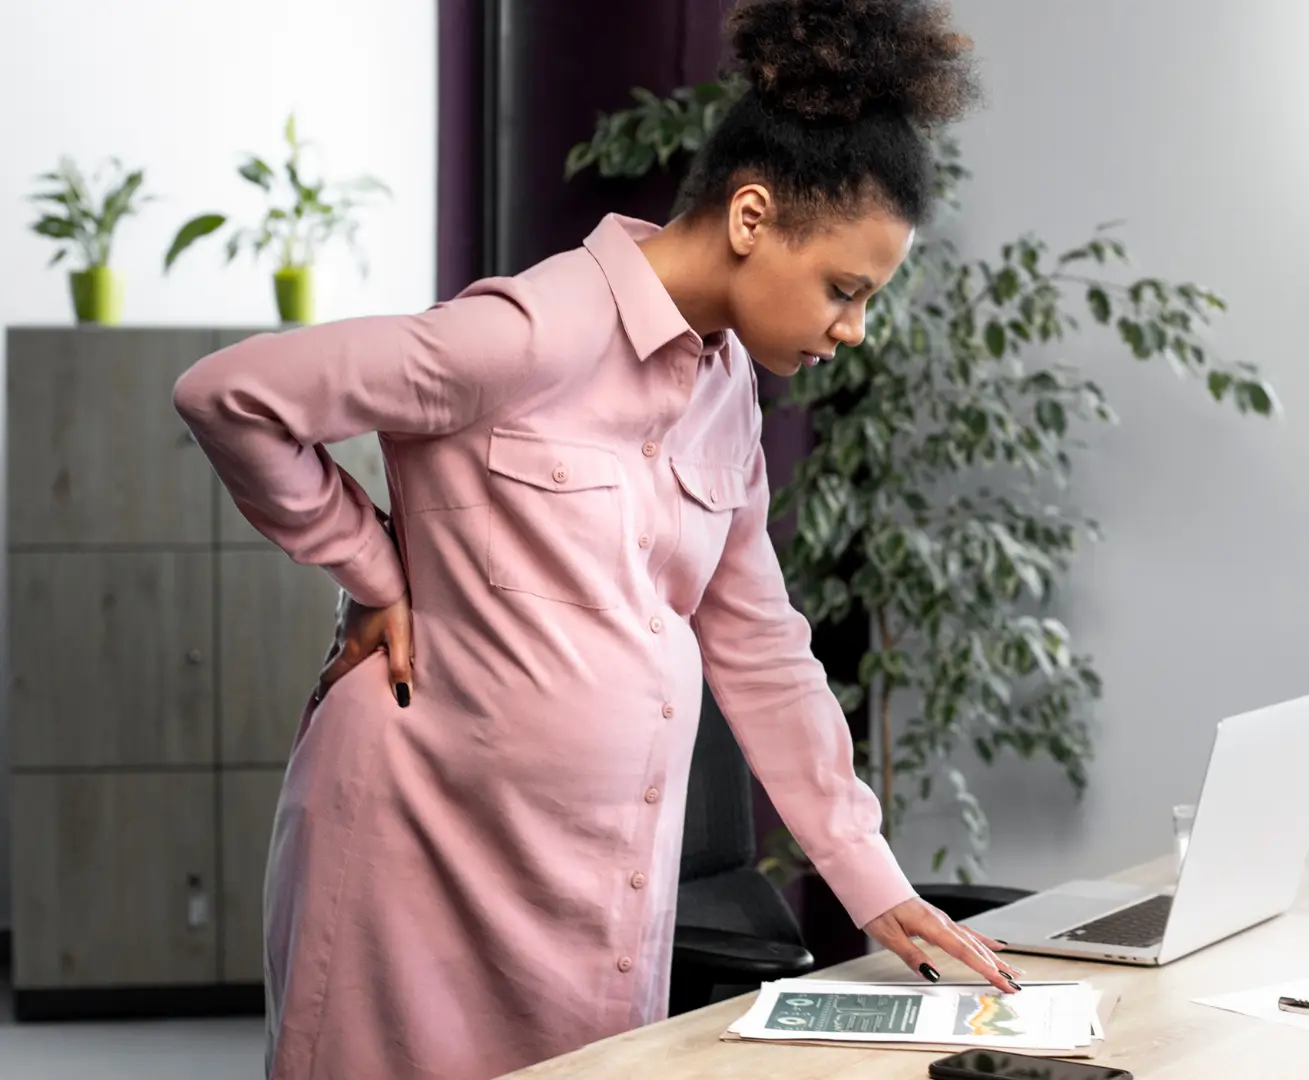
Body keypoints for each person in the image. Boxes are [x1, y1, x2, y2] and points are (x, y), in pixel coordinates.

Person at [171, 1, 1021, 1076]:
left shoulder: (732, 401)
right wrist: (372, 566)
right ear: (752, 218)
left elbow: (763, 649)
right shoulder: (530, 332)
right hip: (417, 856)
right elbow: (231, 394)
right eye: (845, 291)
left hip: (590, 881)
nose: (852, 328)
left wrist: (872, 878)